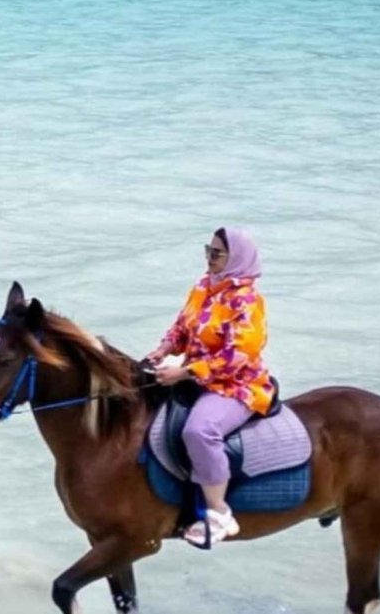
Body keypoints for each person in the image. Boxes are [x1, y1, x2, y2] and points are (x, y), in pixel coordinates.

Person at [144, 228, 273, 546]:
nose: (209, 258)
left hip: (235, 385)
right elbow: (182, 328)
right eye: (208, 250)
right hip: (193, 375)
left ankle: (220, 512)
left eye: (217, 253)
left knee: (199, 431)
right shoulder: (204, 286)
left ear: (237, 258)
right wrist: (163, 349)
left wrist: (185, 372)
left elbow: (237, 355)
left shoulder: (247, 301)